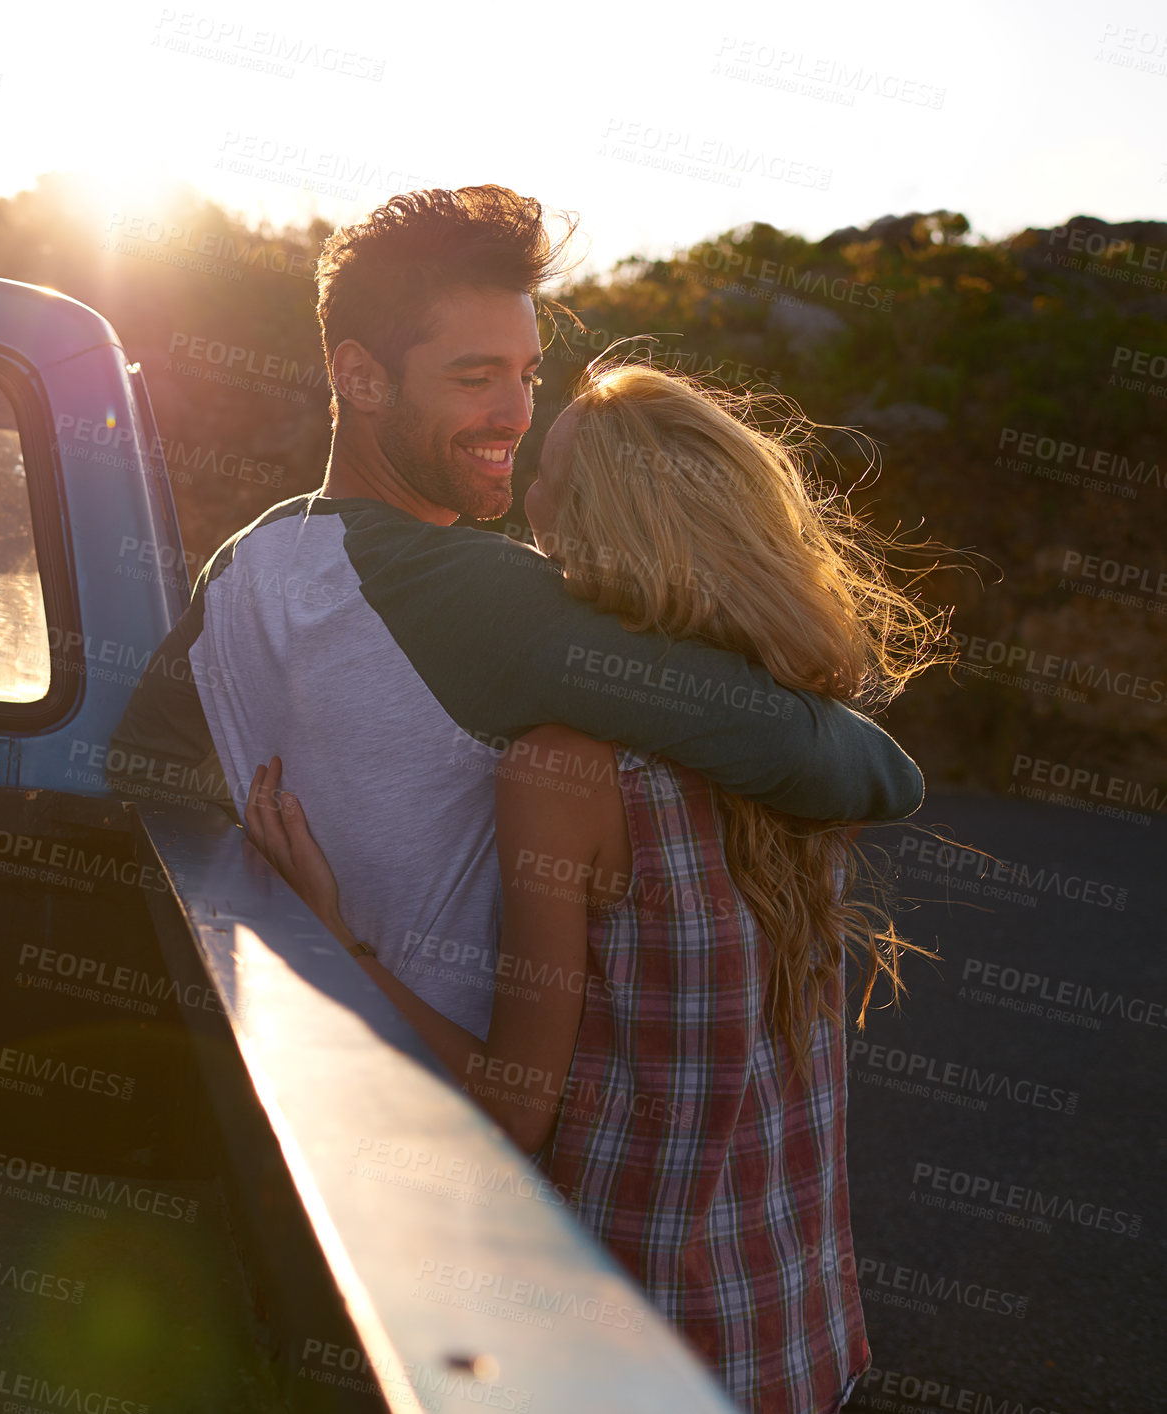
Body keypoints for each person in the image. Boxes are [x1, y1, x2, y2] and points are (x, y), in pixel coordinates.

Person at [242, 358, 950, 1412]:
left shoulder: (565, 768)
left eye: (553, 480)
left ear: (608, 525)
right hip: (792, 1335)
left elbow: (515, 1108)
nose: (526, 502)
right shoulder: (796, 738)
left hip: (627, 1341)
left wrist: (333, 941)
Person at [108, 184, 924, 1038]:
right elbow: (855, 768)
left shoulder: (242, 564)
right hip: (468, 1134)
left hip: (298, 1076)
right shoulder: (483, 595)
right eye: (475, 377)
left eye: (527, 374)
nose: (517, 414)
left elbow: (143, 778)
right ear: (359, 376)